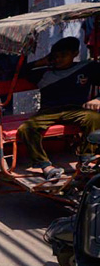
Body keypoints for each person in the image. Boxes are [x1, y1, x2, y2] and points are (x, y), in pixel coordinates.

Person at [17, 36, 100, 180]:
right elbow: (18, 71)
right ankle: (45, 165)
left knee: (94, 117)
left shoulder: (87, 67)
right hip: (49, 111)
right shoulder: (44, 73)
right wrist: (43, 61)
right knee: (26, 129)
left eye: (63, 56)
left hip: (76, 110)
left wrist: (98, 99)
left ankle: (86, 159)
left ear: (74, 54)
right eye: (55, 57)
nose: (58, 60)